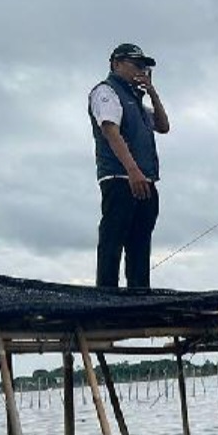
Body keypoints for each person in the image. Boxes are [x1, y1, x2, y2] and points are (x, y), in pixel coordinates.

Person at [89, 43, 170, 288]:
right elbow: (110, 131)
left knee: (140, 243)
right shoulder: (107, 92)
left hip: (146, 180)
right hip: (119, 178)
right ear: (116, 64)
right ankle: (106, 296)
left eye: (144, 67)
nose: (141, 71)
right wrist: (132, 170)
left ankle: (139, 293)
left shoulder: (136, 100)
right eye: (136, 65)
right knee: (113, 241)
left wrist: (152, 92)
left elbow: (163, 125)